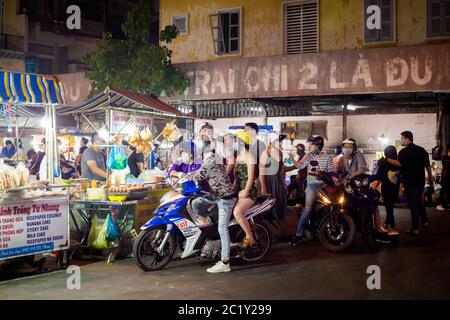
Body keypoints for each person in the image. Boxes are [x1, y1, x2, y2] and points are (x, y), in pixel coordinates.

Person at [184, 139, 237, 273]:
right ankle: (210, 230)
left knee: (222, 228)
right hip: (217, 196)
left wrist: (182, 176)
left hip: (225, 199)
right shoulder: (215, 158)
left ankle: (225, 262)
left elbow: (198, 176)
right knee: (196, 203)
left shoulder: (209, 162)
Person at [290, 135, 334, 246]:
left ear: (317, 146)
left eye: (311, 144)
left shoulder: (328, 157)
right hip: (312, 186)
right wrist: (292, 159)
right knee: (308, 209)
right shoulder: (309, 156)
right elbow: (300, 166)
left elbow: (331, 173)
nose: (309, 146)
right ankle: (298, 234)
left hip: (324, 186)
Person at [386, 131, 433, 235]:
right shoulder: (421, 150)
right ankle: (425, 222)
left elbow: (399, 164)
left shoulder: (403, 152)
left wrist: (386, 159)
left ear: (408, 139)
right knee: (419, 202)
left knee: (413, 204)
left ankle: (415, 228)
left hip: (410, 182)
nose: (401, 140)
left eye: (402, 138)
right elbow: (427, 165)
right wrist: (430, 178)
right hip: (420, 181)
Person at [232, 131, 259, 248]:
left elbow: (251, 178)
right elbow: (236, 178)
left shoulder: (250, 156)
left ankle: (250, 237)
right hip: (238, 191)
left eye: (237, 141)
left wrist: (246, 191)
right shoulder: (238, 156)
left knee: (237, 212)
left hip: (249, 192)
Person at [260, 135, 289, 240]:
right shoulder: (266, 153)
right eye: (279, 141)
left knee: (280, 207)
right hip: (268, 183)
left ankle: (284, 234)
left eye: (281, 141)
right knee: (270, 210)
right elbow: (262, 172)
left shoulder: (280, 153)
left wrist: (284, 184)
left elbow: (281, 172)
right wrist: (263, 188)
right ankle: (271, 235)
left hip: (277, 184)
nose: (281, 143)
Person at [372, 146, 401, 236]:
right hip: (395, 187)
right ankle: (385, 225)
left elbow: (379, 176)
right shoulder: (397, 163)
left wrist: (374, 186)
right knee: (390, 207)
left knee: (389, 209)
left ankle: (393, 228)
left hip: (386, 188)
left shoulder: (383, 162)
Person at [286, 144, 307, 212]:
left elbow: (298, 166)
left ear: (300, 149)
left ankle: (299, 205)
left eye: (297, 149)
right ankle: (290, 202)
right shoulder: (301, 156)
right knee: (289, 187)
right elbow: (296, 166)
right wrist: (286, 169)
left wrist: (292, 159)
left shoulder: (304, 156)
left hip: (302, 177)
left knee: (298, 191)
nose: (297, 151)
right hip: (300, 176)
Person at [436, 145, 450, 211]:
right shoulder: (445, 157)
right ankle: (439, 204)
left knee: (447, 191)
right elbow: (445, 167)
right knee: (443, 191)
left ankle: (446, 204)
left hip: (447, 176)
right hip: (446, 177)